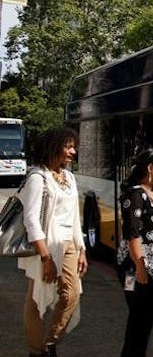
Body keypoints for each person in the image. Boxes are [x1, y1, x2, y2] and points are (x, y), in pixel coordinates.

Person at [17, 127, 88, 357]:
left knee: (72, 294)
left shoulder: (69, 177)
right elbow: (31, 220)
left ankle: (50, 341)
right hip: (45, 247)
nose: (72, 151)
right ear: (53, 147)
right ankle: (37, 350)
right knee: (36, 299)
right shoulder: (38, 178)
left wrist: (82, 249)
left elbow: (74, 216)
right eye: (68, 146)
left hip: (68, 244)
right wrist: (45, 257)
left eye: (73, 146)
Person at [116, 149, 153, 357]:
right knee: (138, 318)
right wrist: (140, 267)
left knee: (145, 320)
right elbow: (133, 234)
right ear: (150, 168)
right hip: (134, 268)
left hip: (152, 268)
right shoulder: (136, 194)